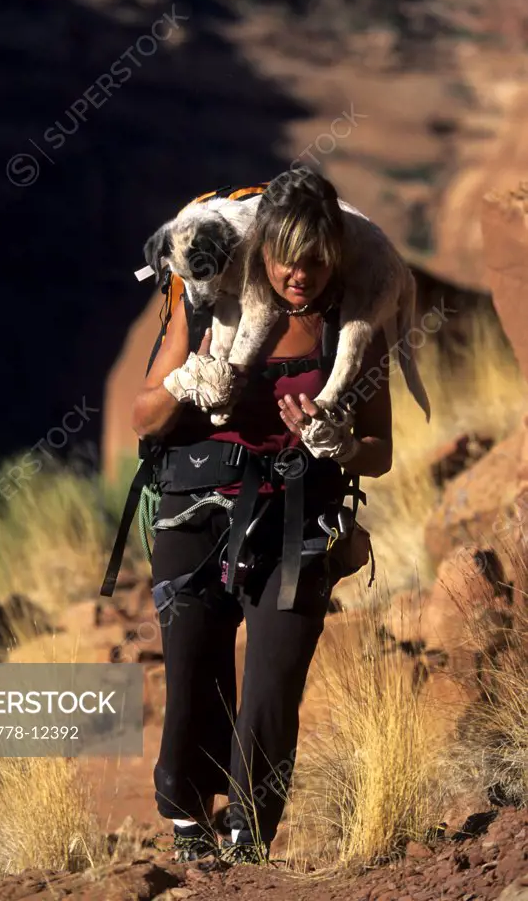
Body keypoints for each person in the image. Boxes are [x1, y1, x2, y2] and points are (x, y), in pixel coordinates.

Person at [131, 168, 393, 865]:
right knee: (193, 669)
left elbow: (381, 450)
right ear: (263, 246)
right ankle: (189, 819)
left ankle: (250, 836)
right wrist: (190, 383)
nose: (298, 274)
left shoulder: (353, 320)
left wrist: (338, 441)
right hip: (197, 509)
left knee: (275, 681)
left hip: (299, 518)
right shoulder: (208, 303)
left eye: (315, 259)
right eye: (285, 257)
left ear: (336, 253)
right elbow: (142, 415)